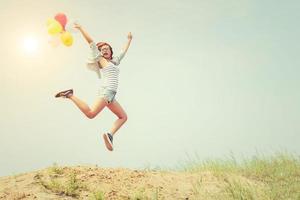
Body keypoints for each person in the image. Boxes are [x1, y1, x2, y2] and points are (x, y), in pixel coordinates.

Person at [55, 22, 132, 151]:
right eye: (102, 50)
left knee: (123, 117)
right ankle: (70, 95)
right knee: (91, 114)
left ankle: (109, 135)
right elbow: (91, 42)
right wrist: (80, 29)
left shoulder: (114, 61)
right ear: (100, 53)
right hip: (106, 92)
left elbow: (123, 52)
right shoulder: (101, 60)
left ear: (110, 51)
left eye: (107, 49)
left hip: (111, 96)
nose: (105, 50)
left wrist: (129, 40)